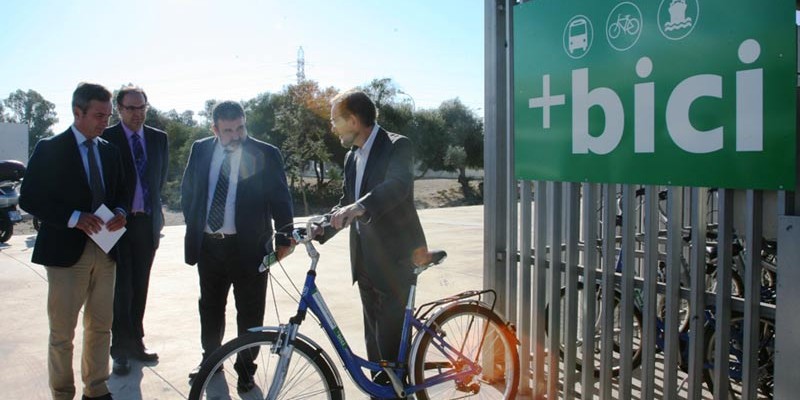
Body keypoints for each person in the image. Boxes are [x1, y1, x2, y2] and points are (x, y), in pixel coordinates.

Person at [19, 82, 128, 400]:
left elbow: (121, 191)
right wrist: (74, 217)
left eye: (108, 116)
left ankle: (96, 388)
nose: (105, 122)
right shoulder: (50, 149)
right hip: (65, 254)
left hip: (106, 251)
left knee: (101, 326)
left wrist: (120, 211)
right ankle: (62, 393)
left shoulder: (109, 151)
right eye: (98, 115)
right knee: (62, 333)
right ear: (77, 112)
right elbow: (30, 198)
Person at [315, 90, 427, 398]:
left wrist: (358, 207)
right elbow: (347, 201)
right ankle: (382, 391)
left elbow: (398, 186)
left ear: (353, 120)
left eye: (335, 120)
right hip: (365, 259)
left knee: (391, 349)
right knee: (375, 343)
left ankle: (396, 391)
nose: (333, 127)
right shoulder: (352, 156)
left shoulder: (397, 145)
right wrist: (320, 228)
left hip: (396, 259)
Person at [181, 100, 294, 392]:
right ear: (215, 129)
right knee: (210, 308)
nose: (236, 135)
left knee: (250, 313)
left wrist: (284, 238)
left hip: (250, 249)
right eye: (228, 131)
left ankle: (246, 369)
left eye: (240, 128)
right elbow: (189, 190)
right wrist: (194, 224)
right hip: (209, 247)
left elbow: (281, 199)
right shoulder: (200, 149)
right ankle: (210, 361)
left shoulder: (265, 153)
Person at [102, 86, 168, 375]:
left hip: (146, 224)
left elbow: (159, 180)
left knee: (140, 286)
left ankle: (136, 343)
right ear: (119, 109)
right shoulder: (107, 138)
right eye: (130, 108)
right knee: (121, 289)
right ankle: (119, 350)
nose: (137, 113)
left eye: (142, 107)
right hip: (117, 224)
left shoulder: (158, 138)